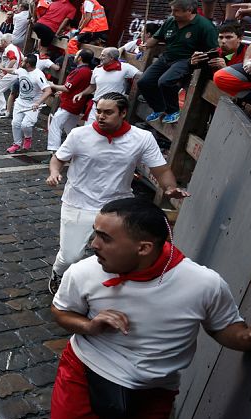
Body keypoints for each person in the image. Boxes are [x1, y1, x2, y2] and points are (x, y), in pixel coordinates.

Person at [46, 196, 251, 419]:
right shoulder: (83, 272)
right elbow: (60, 311)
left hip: (151, 393)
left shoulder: (203, 284)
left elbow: (224, 329)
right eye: (95, 233)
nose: (93, 244)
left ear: (143, 248)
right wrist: (88, 326)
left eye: (105, 238)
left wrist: (250, 337)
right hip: (83, 375)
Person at [45, 92, 189, 294]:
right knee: (71, 257)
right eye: (98, 111)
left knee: (119, 254)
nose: (101, 116)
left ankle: (109, 291)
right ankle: (59, 273)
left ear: (123, 113)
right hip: (78, 202)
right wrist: (54, 172)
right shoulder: (79, 135)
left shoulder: (142, 138)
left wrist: (170, 188)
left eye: (108, 112)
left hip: (118, 207)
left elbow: (161, 169)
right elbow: (58, 158)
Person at [137, 0, 217, 125]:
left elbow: (214, 50)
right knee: (144, 81)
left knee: (165, 81)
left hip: (186, 60)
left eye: (176, 11)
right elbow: (157, 38)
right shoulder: (170, 21)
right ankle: (159, 108)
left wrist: (200, 60)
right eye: (172, 10)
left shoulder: (205, 26)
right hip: (166, 57)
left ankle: (173, 111)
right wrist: (145, 46)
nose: (172, 13)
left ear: (189, 10)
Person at [214, 17, 251, 109]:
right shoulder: (213, 54)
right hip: (220, 100)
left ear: (240, 38)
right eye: (221, 37)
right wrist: (192, 63)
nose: (223, 41)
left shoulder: (247, 52)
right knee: (219, 78)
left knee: (221, 76)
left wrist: (224, 67)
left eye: (229, 37)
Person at [73, 47, 139, 126]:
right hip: (96, 107)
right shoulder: (97, 69)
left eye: (103, 56)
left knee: (106, 133)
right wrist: (81, 93)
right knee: (89, 130)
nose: (100, 58)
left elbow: (140, 76)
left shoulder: (125, 67)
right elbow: (92, 87)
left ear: (111, 58)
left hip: (112, 109)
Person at [46, 48, 93, 153]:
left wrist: (53, 85)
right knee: (70, 130)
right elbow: (77, 88)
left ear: (80, 58)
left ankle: (55, 152)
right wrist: (63, 92)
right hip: (77, 104)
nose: (75, 57)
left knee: (55, 125)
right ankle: (72, 151)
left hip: (68, 104)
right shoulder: (88, 71)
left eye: (77, 55)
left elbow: (67, 87)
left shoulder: (80, 71)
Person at [5, 54, 52, 154]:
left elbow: (48, 91)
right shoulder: (22, 70)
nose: (21, 62)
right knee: (15, 123)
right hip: (20, 102)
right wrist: (2, 69)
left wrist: (38, 103)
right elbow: (13, 71)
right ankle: (16, 144)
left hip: (32, 106)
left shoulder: (38, 75)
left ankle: (27, 139)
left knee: (25, 125)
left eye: (23, 61)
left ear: (29, 64)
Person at [0, 34, 23, 120]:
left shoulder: (9, 49)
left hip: (10, 74)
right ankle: (2, 109)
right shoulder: (16, 48)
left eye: (1, 41)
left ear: (4, 41)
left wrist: (4, 72)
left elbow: (13, 60)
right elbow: (22, 58)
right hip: (14, 73)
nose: (0, 43)